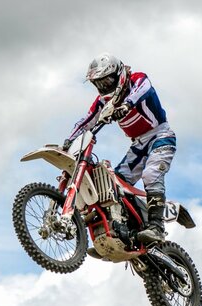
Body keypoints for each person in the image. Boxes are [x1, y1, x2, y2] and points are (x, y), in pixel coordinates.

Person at [64, 53, 176, 244]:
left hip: (161, 135)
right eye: (98, 83)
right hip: (138, 145)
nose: (104, 86)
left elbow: (144, 89)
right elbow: (86, 121)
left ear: (118, 74)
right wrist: (69, 140)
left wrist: (126, 105)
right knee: (114, 185)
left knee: (150, 174)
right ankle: (127, 229)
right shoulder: (102, 102)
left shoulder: (137, 80)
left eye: (107, 80)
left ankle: (156, 228)